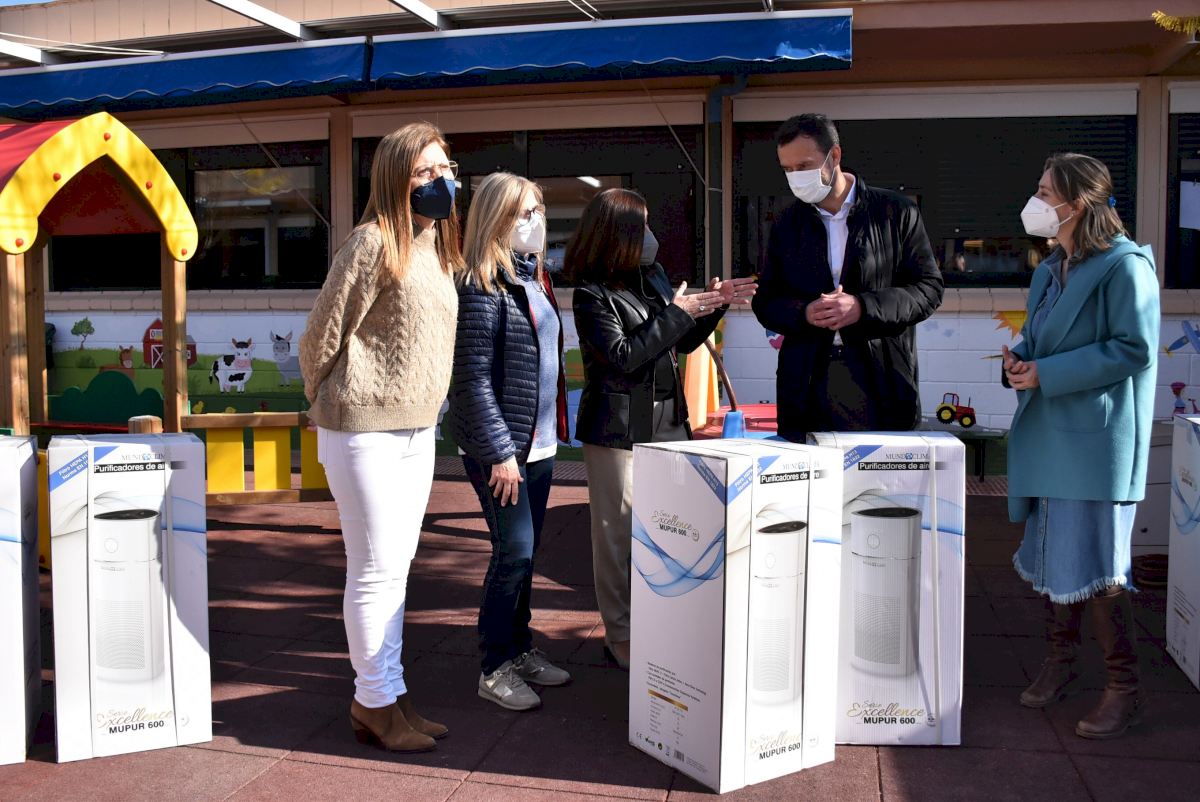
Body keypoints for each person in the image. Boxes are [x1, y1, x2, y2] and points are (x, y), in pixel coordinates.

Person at [299, 122, 462, 752]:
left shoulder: (435, 248)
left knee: (396, 568)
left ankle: (388, 693)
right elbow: (322, 334)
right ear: (396, 178)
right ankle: (372, 701)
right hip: (363, 428)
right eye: (425, 171)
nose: (441, 181)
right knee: (373, 570)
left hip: (418, 428)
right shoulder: (371, 243)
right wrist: (323, 400)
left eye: (446, 169)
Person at [1003, 153, 1159, 740]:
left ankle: (1125, 688)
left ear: (1079, 203)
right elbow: (1035, 337)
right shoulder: (1051, 268)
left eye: (1046, 192)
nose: (1036, 202)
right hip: (1051, 434)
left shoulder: (1126, 267)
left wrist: (1046, 373)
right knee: (1052, 555)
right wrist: (1019, 362)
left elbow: (1134, 348)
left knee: (1100, 563)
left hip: (1096, 442)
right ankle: (1061, 663)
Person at [568, 188, 757, 669]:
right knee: (617, 536)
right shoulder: (592, 294)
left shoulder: (650, 276)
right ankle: (620, 635)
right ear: (621, 234)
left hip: (670, 420)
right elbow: (625, 357)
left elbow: (681, 343)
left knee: (669, 528)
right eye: (644, 225)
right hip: (618, 431)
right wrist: (676, 312)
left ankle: (663, 623)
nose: (653, 234)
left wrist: (713, 306)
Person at [446, 173, 572, 712]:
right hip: (501, 450)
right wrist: (500, 452)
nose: (535, 222)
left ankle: (519, 649)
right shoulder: (480, 286)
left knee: (527, 552)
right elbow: (471, 378)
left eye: (539, 210)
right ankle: (494, 665)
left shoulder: (533, 278)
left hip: (538, 445)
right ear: (495, 218)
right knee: (513, 550)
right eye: (524, 213)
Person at [752, 113, 944, 440]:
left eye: (804, 166)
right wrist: (804, 313)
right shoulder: (786, 224)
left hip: (880, 378)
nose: (796, 177)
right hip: (807, 383)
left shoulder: (895, 212)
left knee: (878, 472)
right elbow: (766, 301)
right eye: (788, 169)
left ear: (835, 156)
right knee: (809, 471)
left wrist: (862, 307)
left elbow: (928, 289)